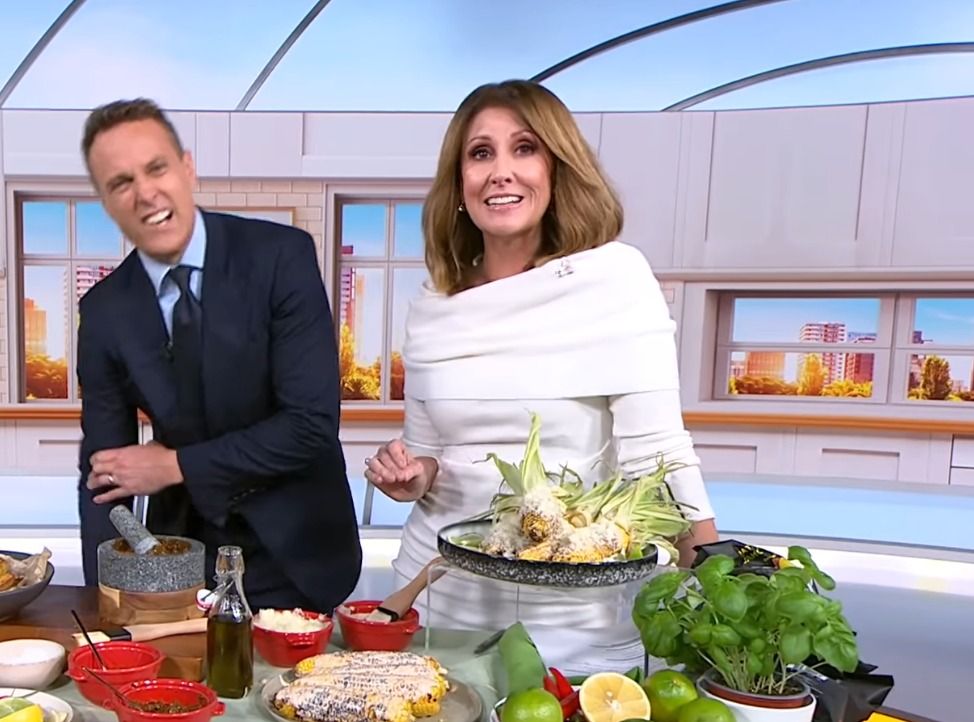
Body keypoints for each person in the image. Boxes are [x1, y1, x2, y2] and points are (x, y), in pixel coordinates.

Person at [365, 80, 718, 668]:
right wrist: (411, 475)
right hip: (437, 601)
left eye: (524, 148)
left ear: (557, 170)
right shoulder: (432, 304)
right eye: (481, 153)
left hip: (572, 620)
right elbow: (430, 454)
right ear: (459, 183)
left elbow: (658, 453)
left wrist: (716, 579)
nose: (500, 171)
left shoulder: (615, 279)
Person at [77, 98, 361, 611]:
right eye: (121, 183)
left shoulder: (281, 257)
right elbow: (103, 475)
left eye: (156, 168)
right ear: (107, 202)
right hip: (183, 556)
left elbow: (309, 424)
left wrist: (176, 465)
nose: (145, 193)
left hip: (299, 552)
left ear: (187, 168)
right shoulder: (103, 311)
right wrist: (107, 598)